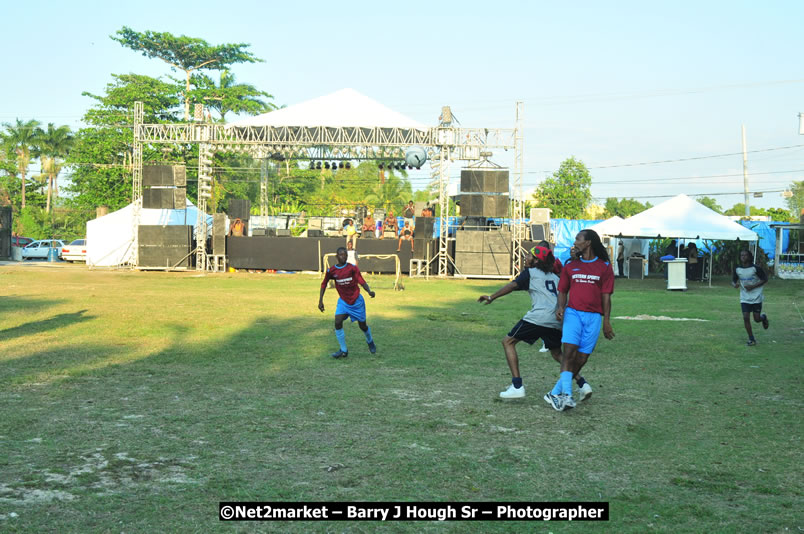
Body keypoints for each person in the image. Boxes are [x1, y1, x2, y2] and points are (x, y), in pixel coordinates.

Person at [478, 246, 591, 400]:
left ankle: (517, 386)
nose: (526, 257)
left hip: (539, 318)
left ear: (537, 260)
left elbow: (512, 286)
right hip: (556, 321)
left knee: (508, 342)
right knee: (558, 354)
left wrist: (492, 297)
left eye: (529, 256)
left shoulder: (530, 273)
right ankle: (582, 384)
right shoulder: (555, 277)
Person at [547, 229, 615, 412]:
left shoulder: (604, 267)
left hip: (593, 317)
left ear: (588, 243)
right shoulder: (570, 266)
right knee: (568, 353)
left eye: (578, 239)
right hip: (573, 314)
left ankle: (554, 392)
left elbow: (606, 296)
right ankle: (567, 396)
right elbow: (562, 290)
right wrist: (561, 307)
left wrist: (606, 321)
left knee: (582, 358)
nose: (575, 242)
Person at [319, 247, 376, 358]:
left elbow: (361, 280)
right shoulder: (332, 271)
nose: (343, 256)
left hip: (356, 302)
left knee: (363, 326)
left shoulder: (352, 268)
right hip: (344, 302)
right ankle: (343, 350)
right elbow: (324, 284)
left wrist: (369, 291)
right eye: (341, 255)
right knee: (337, 321)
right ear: (336, 256)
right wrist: (320, 300)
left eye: (345, 255)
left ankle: (370, 341)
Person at [732, 249, 769, 346]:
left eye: (745, 255)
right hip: (744, 297)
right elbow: (733, 280)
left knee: (756, 319)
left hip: (756, 296)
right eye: (741, 255)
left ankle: (763, 318)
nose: (743, 257)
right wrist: (734, 284)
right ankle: (751, 339)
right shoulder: (738, 269)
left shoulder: (755, 268)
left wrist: (753, 286)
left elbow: (765, 279)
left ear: (749, 257)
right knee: (745, 317)